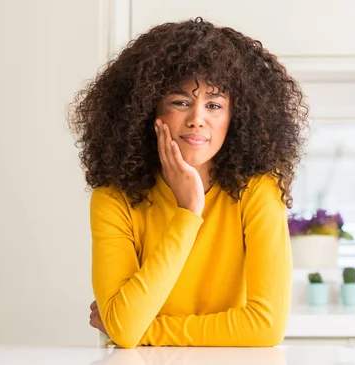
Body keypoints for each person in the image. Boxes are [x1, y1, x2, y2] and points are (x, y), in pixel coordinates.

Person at [68, 17, 309, 348]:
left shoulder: (259, 191)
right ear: (146, 109)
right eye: (180, 102)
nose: (197, 119)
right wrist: (188, 212)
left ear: (234, 118)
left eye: (214, 105)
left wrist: (143, 330)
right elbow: (124, 331)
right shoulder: (114, 198)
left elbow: (265, 328)